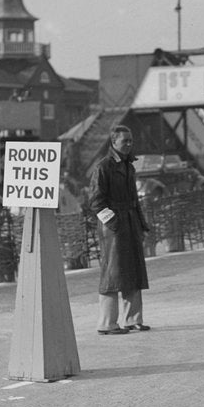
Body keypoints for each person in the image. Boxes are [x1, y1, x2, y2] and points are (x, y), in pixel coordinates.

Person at [89, 125, 152, 335]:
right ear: (113, 142)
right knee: (112, 274)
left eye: (130, 140)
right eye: (124, 141)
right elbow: (96, 203)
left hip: (130, 221)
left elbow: (135, 200)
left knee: (133, 270)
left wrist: (141, 224)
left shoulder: (128, 166)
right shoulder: (103, 167)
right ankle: (107, 324)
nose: (129, 144)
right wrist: (115, 225)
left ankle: (133, 320)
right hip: (113, 227)